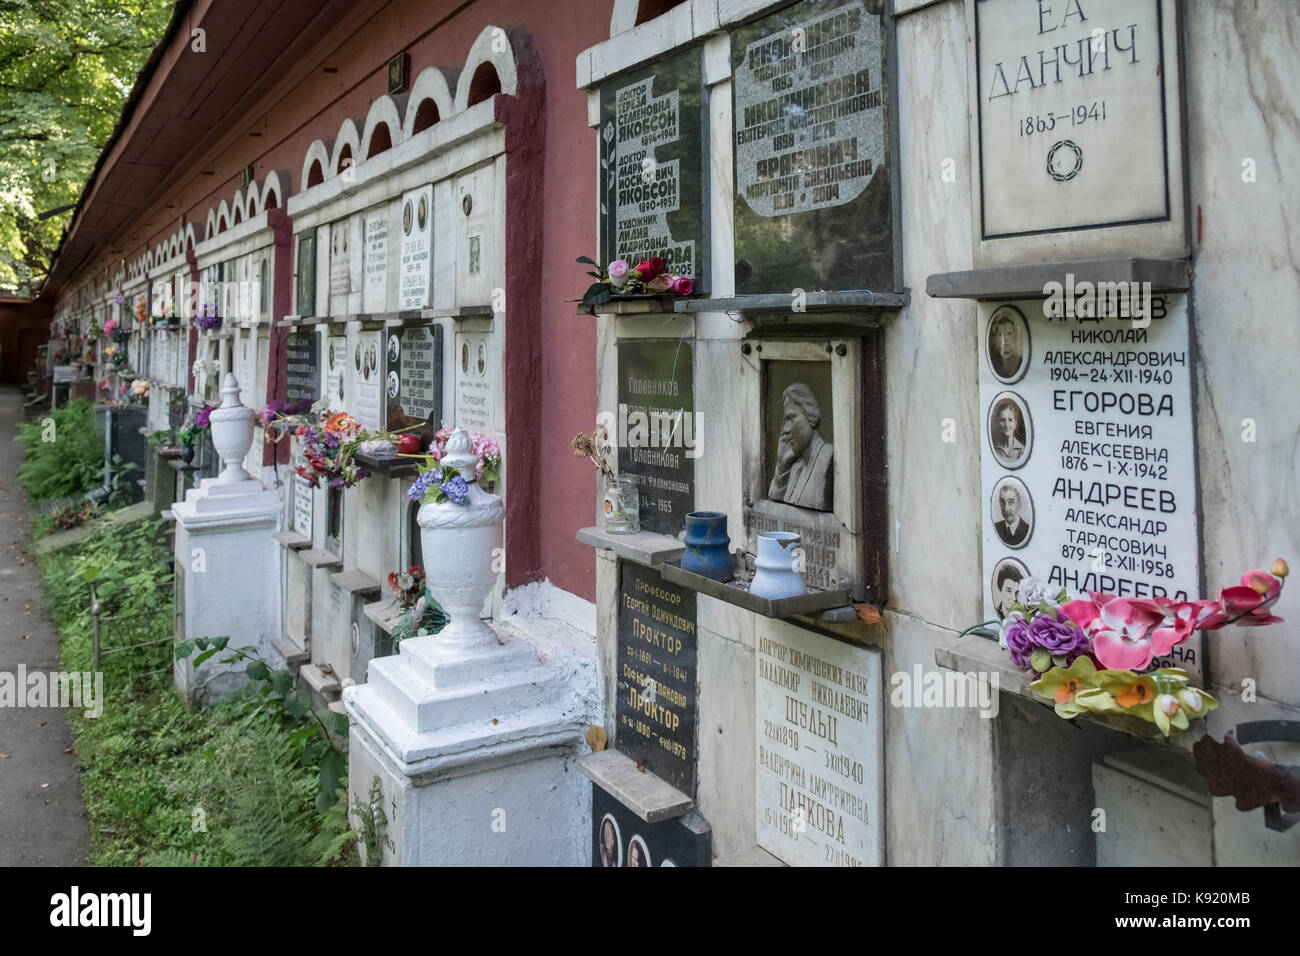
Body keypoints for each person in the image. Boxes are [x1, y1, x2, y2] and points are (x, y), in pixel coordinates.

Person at [768, 383, 834, 511]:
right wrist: (782, 465)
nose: (786, 429)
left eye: (791, 418)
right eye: (785, 420)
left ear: (810, 416)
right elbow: (775, 501)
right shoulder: (796, 467)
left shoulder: (826, 456)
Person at [989, 313, 1023, 379]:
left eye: (1009, 333)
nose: (1004, 341)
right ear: (996, 339)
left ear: (1015, 336)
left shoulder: (1020, 363)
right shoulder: (993, 363)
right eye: (1000, 335)